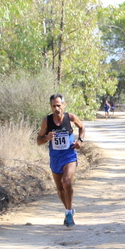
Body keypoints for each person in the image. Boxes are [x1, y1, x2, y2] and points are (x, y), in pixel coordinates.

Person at [37, 94, 85, 227]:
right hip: (55, 158)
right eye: (54, 106)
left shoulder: (70, 117)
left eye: (59, 105)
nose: (56, 108)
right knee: (59, 189)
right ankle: (68, 209)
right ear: (51, 107)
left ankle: (69, 214)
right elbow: (38, 141)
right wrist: (47, 137)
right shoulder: (47, 121)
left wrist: (80, 140)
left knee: (67, 181)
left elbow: (82, 127)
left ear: (64, 105)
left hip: (69, 155)